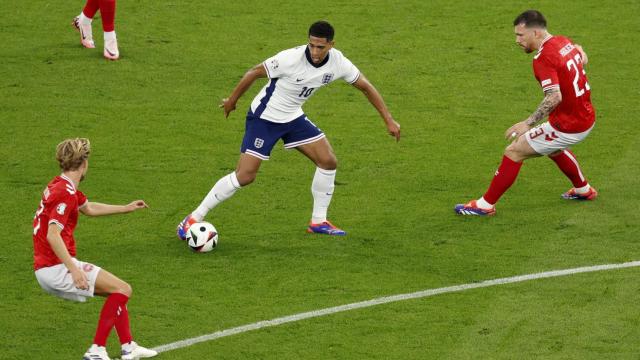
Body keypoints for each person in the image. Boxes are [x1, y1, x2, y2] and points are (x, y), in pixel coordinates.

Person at [177, 21, 400, 238]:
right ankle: (193, 218)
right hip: (264, 118)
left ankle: (318, 222)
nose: (314, 51)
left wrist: (389, 120)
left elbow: (365, 86)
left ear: (331, 45)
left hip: (293, 117)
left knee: (328, 161)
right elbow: (254, 72)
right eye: (311, 45)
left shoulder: (338, 62)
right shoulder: (289, 59)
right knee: (245, 175)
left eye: (320, 47)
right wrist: (232, 101)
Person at [455, 10, 597, 216]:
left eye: (521, 35)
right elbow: (582, 59)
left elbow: (554, 97)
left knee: (514, 150)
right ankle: (583, 190)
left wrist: (528, 123)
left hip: (569, 125)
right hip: (585, 116)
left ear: (536, 33)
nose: (517, 40)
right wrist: (581, 55)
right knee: (552, 147)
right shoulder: (563, 42)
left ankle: (485, 205)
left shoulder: (543, 58)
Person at [32, 138, 157, 360]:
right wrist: (74, 269)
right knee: (123, 289)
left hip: (48, 267)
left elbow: (88, 208)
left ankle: (128, 346)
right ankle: (96, 350)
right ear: (84, 164)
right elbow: (53, 234)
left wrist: (126, 208)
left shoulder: (61, 185)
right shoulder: (65, 193)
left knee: (116, 291)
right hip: (56, 266)